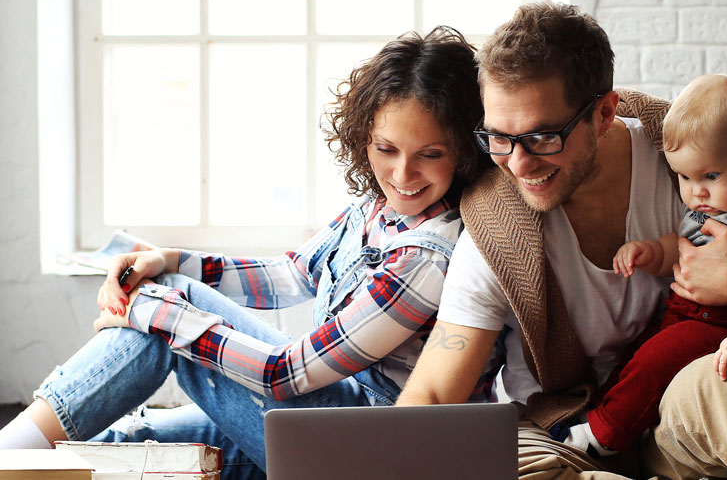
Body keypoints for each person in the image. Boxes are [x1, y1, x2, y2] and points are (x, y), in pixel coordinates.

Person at [0, 26, 494, 478]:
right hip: (322, 416)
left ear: (464, 150)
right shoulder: (377, 209)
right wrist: (170, 259)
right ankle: (18, 458)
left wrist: (152, 310)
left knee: (168, 311)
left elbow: (286, 374)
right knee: (129, 444)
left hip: (360, 447)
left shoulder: (426, 257)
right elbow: (291, 273)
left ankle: (11, 449)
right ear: (364, 136)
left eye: (431, 154)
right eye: (386, 149)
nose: (403, 175)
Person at [397, 2, 727, 479]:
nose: (519, 164)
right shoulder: (497, 228)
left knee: (721, 386)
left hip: (675, 415)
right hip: (561, 432)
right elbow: (437, 391)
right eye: (500, 138)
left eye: (544, 137)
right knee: (519, 463)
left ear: (604, 113)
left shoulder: (697, 161)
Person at [550, 73, 727, 456]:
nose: (695, 192)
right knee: (636, 353)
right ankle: (599, 417)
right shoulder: (713, 201)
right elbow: (684, 248)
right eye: (684, 176)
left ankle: (604, 436)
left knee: (654, 362)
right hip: (683, 315)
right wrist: (652, 252)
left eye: (711, 176)